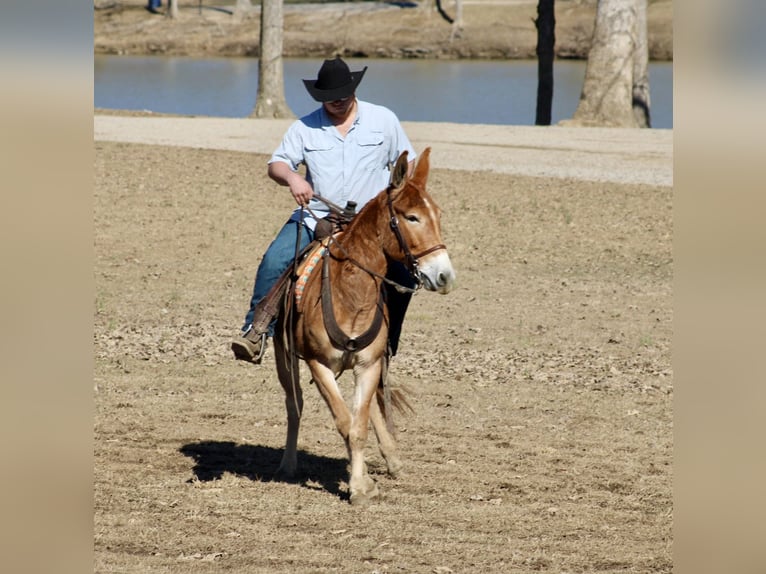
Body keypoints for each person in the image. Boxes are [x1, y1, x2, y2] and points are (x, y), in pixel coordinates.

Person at [231, 56, 418, 364]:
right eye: (330, 99)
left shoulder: (383, 120)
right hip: (316, 218)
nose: (338, 103)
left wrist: (398, 192)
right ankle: (256, 330)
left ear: (354, 91)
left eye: (343, 97)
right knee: (274, 261)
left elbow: (406, 161)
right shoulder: (304, 127)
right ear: (321, 97)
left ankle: (388, 341)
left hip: (370, 225)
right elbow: (276, 165)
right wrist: (292, 177)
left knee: (405, 277)